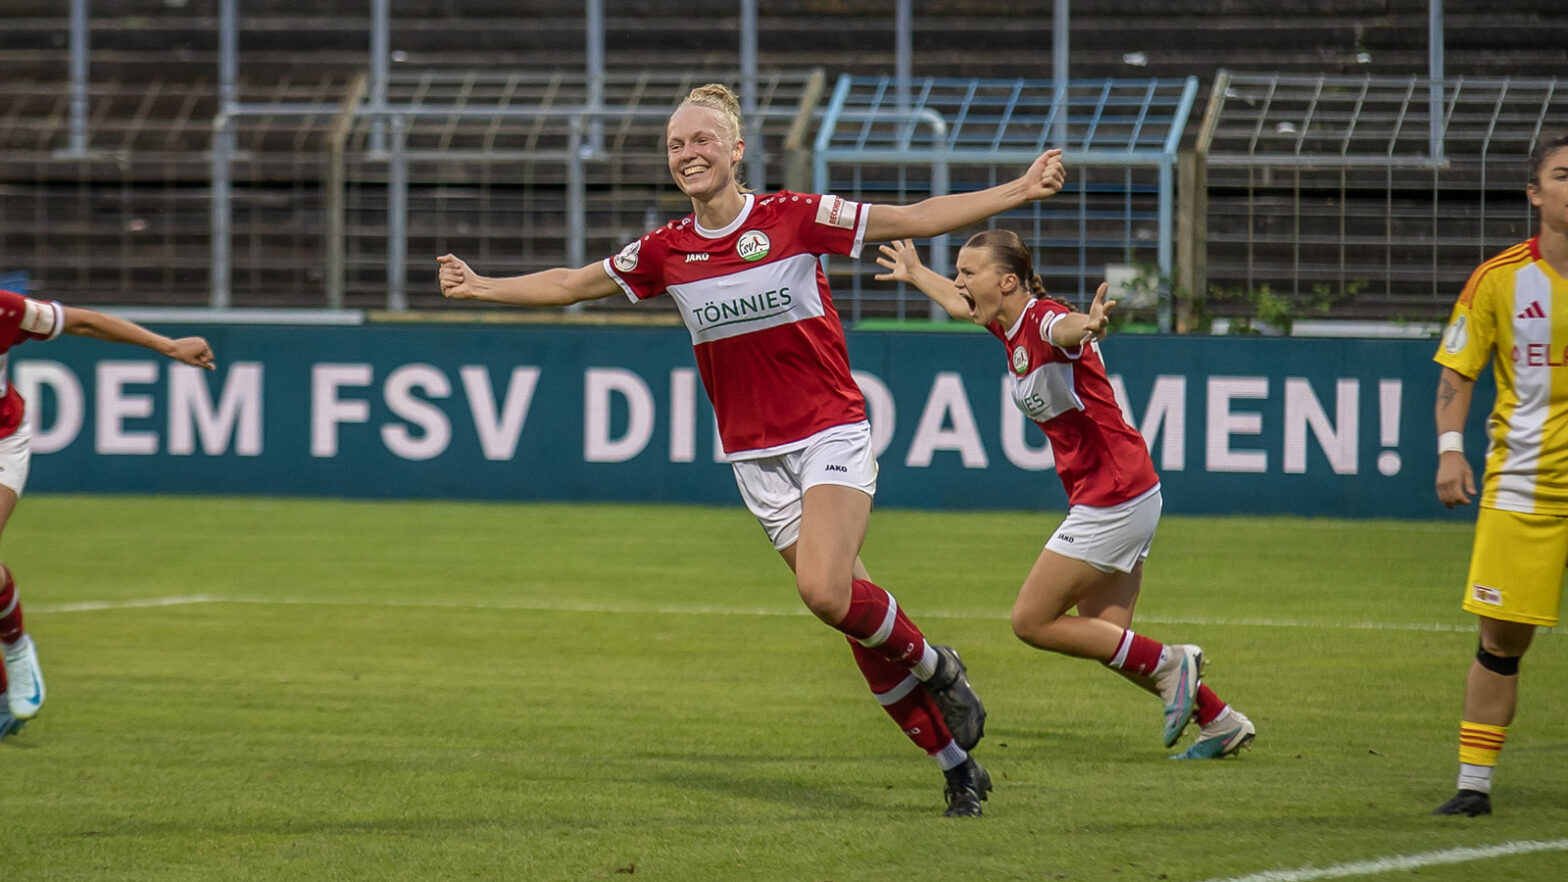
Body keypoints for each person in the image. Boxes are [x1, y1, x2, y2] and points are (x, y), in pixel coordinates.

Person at [438, 83, 1066, 817]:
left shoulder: (795, 218)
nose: (687, 154)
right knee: (847, 614)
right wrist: (483, 288)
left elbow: (918, 217)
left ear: (736, 150)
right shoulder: (665, 250)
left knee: (826, 592)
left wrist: (1020, 188)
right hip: (756, 459)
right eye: (675, 144)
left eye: (702, 140)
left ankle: (937, 665)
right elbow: (571, 283)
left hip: (829, 429)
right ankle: (957, 764)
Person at [873, 232, 1256, 759]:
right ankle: (1219, 720)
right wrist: (917, 274)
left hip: (1114, 495)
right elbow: (961, 306)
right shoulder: (1006, 324)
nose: (961, 282)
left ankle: (1175, 663)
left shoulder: (1045, 321)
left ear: (1008, 282)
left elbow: (1068, 327)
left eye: (969, 272)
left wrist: (1091, 324)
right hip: (1124, 491)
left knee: (1030, 621)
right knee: (1108, 637)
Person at [0, 286, 215, 740]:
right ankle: (4, 698)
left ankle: (16, 647)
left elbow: (82, 322)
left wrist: (168, 345)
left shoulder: (6, 309)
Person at [1430, 131, 1568, 817]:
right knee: (1501, 641)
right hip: (1524, 486)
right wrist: (1450, 449)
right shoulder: (1500, 279)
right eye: (1564, 175)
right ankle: (1474, 788)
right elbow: (1458, 371)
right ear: (1535, 193)